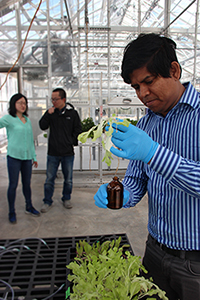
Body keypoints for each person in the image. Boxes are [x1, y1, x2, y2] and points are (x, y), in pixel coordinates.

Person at [94, 33, 200, 300]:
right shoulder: (146, 124)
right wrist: (123, 193)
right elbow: (137, 178)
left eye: (148, 82)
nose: (142, 94)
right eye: (135, 87)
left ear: (174, 70)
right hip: (154, 251)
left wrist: (154, 153)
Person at [39, 88, 82, 213]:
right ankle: (47, 201)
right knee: (49, 179)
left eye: (55, 99)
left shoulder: (72, 114)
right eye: (52, 99)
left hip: (67, 153)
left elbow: (78, 130)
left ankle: (66, 198)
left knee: (68, 179)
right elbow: (42, 126)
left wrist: (71, 142)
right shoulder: (51, 113)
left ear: (63, 99)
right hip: (53, 153)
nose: (53, 102)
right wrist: (47, 114)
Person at [0, 93, 40, 224]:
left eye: (24, 103)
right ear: (13, 104)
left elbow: (30, 140)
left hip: (27, 158)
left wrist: (33, 157)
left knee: (27, 184)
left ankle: (29, 206)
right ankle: (12, 211)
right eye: (20, 103)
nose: (23, 105)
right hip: (14, 158)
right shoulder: (8, 119)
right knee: (13, 185)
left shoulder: (26, 120)